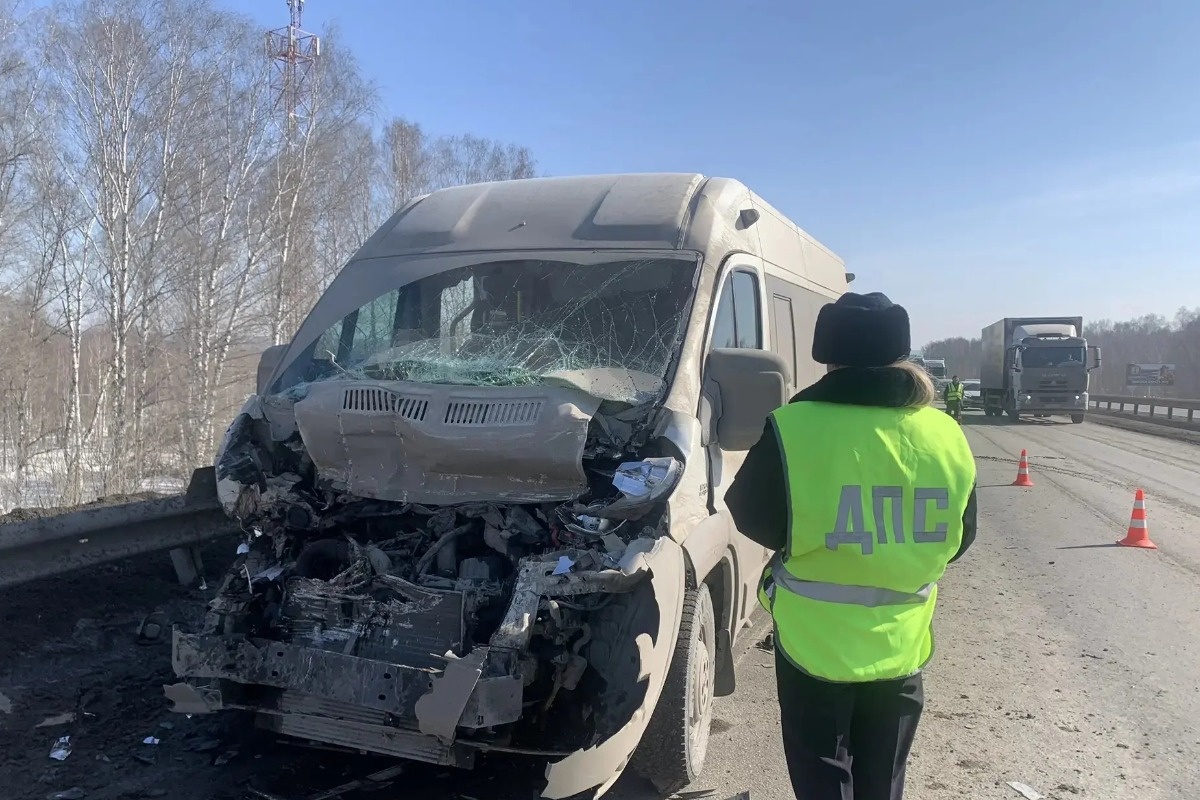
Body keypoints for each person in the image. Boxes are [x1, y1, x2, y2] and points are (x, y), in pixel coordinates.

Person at [724, 291, 978, 800]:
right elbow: (961, 536)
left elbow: (751, 514)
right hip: (900, 641)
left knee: (821, 774)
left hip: (813, 642)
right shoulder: (945, 433)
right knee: (883, 779)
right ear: (899, 354)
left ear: (828, 355)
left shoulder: (794, 426)